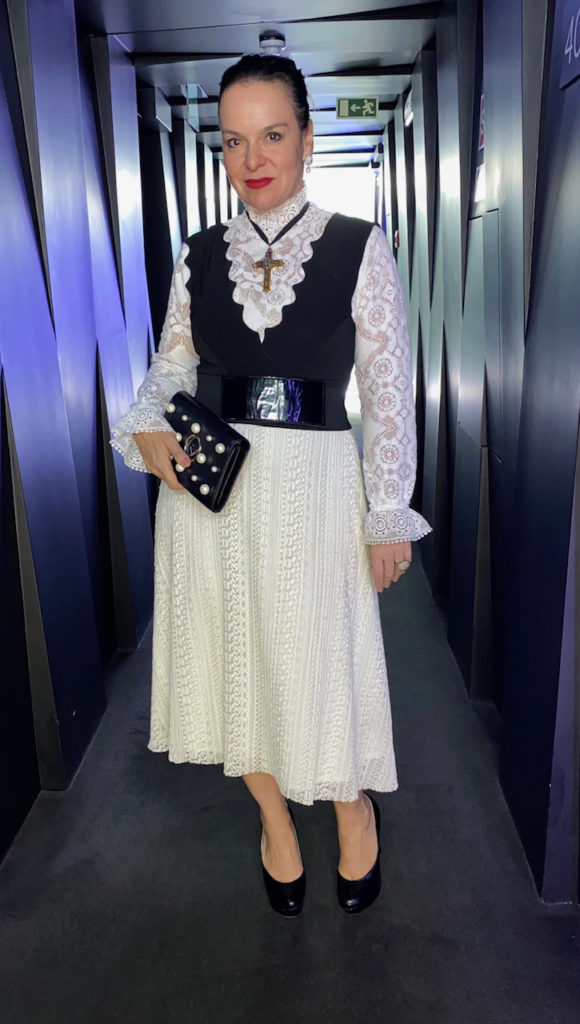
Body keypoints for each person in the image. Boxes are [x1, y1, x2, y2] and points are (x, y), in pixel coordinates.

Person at [111, 54, 431, 917]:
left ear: (308, 139)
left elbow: (389, 389)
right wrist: (145, 418)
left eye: (273, 135)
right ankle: (275, 821)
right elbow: (172, 365)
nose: (252, 159)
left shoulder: (359, 246)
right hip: (210, 489)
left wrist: (388, 510)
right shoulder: (198, 254)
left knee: (319, 660)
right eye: (234, 141)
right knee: (234, 661)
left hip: (315, 486)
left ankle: (351, 807)